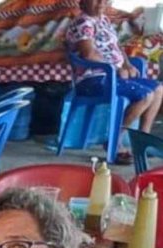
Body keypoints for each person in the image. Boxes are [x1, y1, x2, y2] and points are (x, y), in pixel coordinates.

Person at [66, 0, 162, 154]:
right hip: (93, 79)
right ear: (83, 2)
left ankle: (144, 141)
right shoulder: (83, 22)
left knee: (158, 89)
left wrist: (127, 64)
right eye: (96, 0)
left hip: (112, 76)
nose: (101, 3)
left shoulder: (103, 19)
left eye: (104, 0)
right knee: (145, 95)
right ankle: (114, 140)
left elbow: (116, 46)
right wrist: (116, 68)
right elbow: (88, 54)